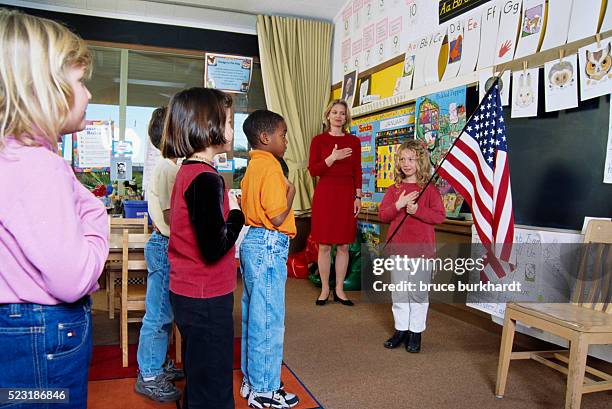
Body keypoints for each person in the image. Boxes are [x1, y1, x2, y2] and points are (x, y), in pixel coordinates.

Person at [0, 9, 109, 408]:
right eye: (80, 82)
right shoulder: (36, 165)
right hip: (41, 334)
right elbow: (74, 277)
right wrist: (97, 221)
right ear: (40, 89)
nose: (89, 95)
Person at [163, 87, 244, 409]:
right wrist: (237, 214)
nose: (231, 128)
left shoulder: (188, 170)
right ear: (207, 125)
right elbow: (214, 247)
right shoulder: (206, 178)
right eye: (227, 121)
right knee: (213, 382)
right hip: (205, 293)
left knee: (200, 373)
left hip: (189, 290)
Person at [239, 110, 299, 409]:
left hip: (252, 241)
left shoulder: (252, 166)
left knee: (254, 315)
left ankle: (253, 381)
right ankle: (265, 390)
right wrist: (292, 193)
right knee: (269, 319)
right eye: (283, 134)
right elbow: (277, 215)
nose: (285, 141)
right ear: (265, 138)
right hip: (269, 242)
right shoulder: (272, 167)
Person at [134, 107, 184, 402]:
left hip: (167, 245)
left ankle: (158, 364)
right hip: (165, 245)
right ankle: (149, 373)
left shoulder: (172, 166)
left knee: (166, 312)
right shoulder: (168, 168)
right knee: (159, 314)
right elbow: (171, 215)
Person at [378, 140, 445, 353]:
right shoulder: (394, 190)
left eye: (411, 159)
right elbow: (383, 214)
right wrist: (399, 204)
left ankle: (415, 332)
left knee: (417, 293)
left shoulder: (429, 189)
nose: (406, 164)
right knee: (399, 292)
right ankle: (401, 330)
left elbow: (439, 216)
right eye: (403, 159)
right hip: (398, 250)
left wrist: (417, 211)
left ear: (420, 161)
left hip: (421, 251)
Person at [308, 99, 362, 306]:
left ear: (346, 117)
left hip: (347, 194)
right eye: (335, 112)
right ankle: (324, 289)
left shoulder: (354, 142)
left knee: (344, 246)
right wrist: (332, 158)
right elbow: (313, 170)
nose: (339, 116)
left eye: (342, 113)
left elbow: (358, 170)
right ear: (328, 115)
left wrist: (358, 197)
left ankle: (339, 289)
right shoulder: (318, 141)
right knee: (323, 246)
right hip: (325, 194)